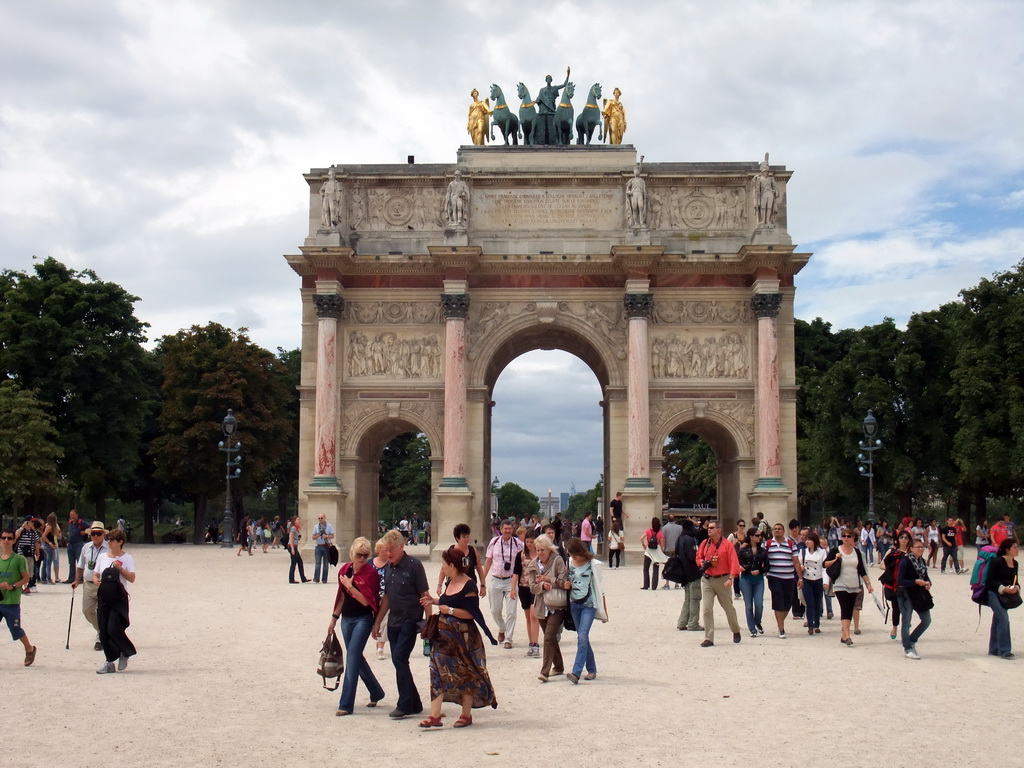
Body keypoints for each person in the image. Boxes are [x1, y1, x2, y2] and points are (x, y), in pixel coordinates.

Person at [417, 546, 497, 728]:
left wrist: (450, 610)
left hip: (464, 637)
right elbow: (448, 601)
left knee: (465, 673)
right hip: (442, 637)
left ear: (452, 565)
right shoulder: (449, 582)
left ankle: (466, 715)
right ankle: (435, 716)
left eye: (444, 564)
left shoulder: (469, 585)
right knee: (436, 670)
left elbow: (471, 613)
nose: (442, 568)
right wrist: (434, 601)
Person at [372, 530, 430, 719]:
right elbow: (386, 598)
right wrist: (378, 622)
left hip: (410, 620)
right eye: (385, 550)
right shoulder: (388, 568)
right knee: (400, 661)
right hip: (394, 621)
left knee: (398, 658)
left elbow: (424, 595)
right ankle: (414, 702)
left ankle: (404, 704)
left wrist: (430, 621)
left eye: (391, 550)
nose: (388, 554)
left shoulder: (415, 566)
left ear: (401, 547)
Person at [328, 537, 385, 716]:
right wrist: (333, 618)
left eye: (366, 555)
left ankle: (346, 704)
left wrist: (350, 586)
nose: (362, 559)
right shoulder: (344, 570)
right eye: (359, 555)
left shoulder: (371, 573)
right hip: (347, 619)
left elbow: (367, 602)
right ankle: (376, 691)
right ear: (352, 554)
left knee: (352, 657)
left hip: (363, 619)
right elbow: (341, 596)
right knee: (356, 659)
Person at [93, 529, 137, 674]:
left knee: (114, 628)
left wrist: (120, 569)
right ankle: (109, 661)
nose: (109, 542)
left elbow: (131, 578)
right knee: (104, 631)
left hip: (119, 598)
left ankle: (125, 651)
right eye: (109, 539)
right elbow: (96, 574)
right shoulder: (102, 557)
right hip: (104, 597)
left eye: (112, 540)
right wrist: (96, 580)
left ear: (120, 542)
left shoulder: (127, 558)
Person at [565, 537, 608, 683]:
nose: (572, 557)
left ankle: (576, 672)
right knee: (583, 637)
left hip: (589, 605)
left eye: (574, 553)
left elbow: (601, 589)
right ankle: (592, 669)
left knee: (582, 636)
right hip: (574, 604)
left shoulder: (593, 564)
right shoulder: (570, 562)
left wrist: (604, 611)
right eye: (570, 554)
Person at [528, 534, 568, 681]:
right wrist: (542, 586)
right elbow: (532, 587)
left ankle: (544, 672)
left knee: (549, 637)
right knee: (550, 638)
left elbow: (564, 581)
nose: (539, 553)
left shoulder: (558, 561)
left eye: (542, 550)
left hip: (557, 604)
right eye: (537, 550)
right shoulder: (533, 564)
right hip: (541, 605)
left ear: (549, 549)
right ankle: (559, 666)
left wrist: (547, 579)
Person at [824, 528, 874, 646]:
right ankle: (847, 635)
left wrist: (868, 584)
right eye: (844, 536)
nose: (846, 538)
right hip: (841, 583)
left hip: (854, 584)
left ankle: (844, 635)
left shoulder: (856, 552)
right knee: (845, 607)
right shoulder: (835, 550)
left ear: (853, 538)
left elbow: (861, 570)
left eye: (849, 536)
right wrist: (836, 559)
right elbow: (825, 564)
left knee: (850, 608)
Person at [696, 521, 742, 647]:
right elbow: (698, 556)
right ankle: (709, 638)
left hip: (723, 579)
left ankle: (735, 629)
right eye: (708, 528)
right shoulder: (705, 543)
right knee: (706, 609)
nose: (709, 530)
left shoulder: (727, 545)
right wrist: (701, 563)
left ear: (719, 530)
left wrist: (731, 577)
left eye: (712, 528)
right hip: (707, 579)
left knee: (728, 608)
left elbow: (734, 562)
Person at [482, 520, 523, 649]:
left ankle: (508, 638)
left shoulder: (518, 543)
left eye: (510, 529)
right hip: (496, 579)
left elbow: (524, 561)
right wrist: (482, 580)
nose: (508, 531)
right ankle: (502, 627)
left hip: (511, 580)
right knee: (495, 610)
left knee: (511, 611)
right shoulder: (494, 542)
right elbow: (488, 561)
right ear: (501, 529)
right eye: (505, 528)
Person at [0, 528, 36, 666]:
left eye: (9, 538)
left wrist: (12, 586)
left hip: (11, 601)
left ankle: (29, 649)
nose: (6, 541)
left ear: (14, 540)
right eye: (4, 538)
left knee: (15, 629)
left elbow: (25, 578)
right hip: (0, 599)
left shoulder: (19, 559)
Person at [73, 521, 110, 651]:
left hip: (104, 585)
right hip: (88, 584)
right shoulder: (86, 547)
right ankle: (101, 630)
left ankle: (100, 637)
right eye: (93, 534)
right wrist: (76, 581)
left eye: (98, 533)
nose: (95, 536)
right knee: (87, 611)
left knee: (103, 612)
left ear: (103, 534)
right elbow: (80, 566)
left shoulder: (109, 548)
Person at [765, 523, 804, 639]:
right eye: (775, 529)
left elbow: (796, 561)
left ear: (783, 531)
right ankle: (781, 628)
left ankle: (780, 622)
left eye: (779, 529)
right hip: (774, 577)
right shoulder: (768, 544)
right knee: (778, 602)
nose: (777, 531)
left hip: (788, 578)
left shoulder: (791, 544)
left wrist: (800, 578)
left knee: (787, 604)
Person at [896, 539, 933, 660]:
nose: (921, 549)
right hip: (906, 593)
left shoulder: (922, 561)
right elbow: (900, 581)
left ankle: (912, 640)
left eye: (922, 547)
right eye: (918, 547)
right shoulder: (905, 561)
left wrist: (928, 583)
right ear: (911, 548)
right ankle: (908, 647)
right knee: (906, 620)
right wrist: (915, 581)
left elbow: (925, 576)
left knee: (926, 620)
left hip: (919, 594)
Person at [986, 538, 1019, 659]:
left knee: (998, 620)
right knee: (1004, 619)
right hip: (993, 593)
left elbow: (1015, 580)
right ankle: (1004, 650)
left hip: (1006, 595)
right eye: (1014, 547)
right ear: (1007, 549)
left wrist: (1016, 587)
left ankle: (994, 649)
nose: (1017, 549)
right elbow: (990, 581)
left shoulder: (1015, 563)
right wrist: (1004, 589)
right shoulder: (996, 561)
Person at [880, 531, 912, 640]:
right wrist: (891, 569)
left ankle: (906, 625)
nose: (903, 539)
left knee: (908, 606)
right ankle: (895, 627)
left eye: (906, 538)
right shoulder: (892, 551)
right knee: (896, 607)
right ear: (898, 539)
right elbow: (882, 564)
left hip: (907, 584)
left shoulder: (911, 552)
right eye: (901, 537)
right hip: (894, 584)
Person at [514, 530, 541, 657]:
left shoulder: (541, 554)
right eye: (527, 541)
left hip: (536, 587)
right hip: (523, 587)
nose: (529, 544)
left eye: (531, 542)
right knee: (528, 618)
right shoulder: (520, 555)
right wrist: (513, 588)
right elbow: (516, 572)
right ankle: (531, 643)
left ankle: (535, 644)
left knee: (534, 615)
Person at [738, 527, 768, 637]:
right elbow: (735, 561)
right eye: (757, 535)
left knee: (759, 604)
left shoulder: (762, 551)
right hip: (746, 579)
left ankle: (757, 622)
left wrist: (760, 570)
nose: (759, 537)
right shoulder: (743, 549)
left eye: (760, 535)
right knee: (748, 605)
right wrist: (740, 567)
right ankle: (752, 628)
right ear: (750, 536)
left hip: (758, 579)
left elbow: (767, 566)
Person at [675, 519, 703, 631]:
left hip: (684, 572)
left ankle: (682, 622)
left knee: (687, 598)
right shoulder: (690, 540)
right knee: (695, 598)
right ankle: (693, 623)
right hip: (693, 572)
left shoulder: (679, 538)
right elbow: (693, 557)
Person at [533, 67, 570, 145]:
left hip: (552, 110)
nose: (548, 80)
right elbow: (538, 98)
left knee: (552, 128)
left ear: (551, 80)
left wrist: (567, 75)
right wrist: (536, 101)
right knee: (542, 128)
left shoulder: (554, 88)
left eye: (550, 79)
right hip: (543, 111)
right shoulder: (542, 90)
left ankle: (554, 141)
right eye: (547, 79)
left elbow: (564, 84)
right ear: (546, 80)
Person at [800, 532, 827, 635]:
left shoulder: (822, 552)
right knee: (809, 603)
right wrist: (801, 573)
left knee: (817, 603)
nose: (807, 542)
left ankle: (817, 624)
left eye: (809, 540)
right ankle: (810, 625)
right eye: (806, 540)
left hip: (818, 579)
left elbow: (824, 568)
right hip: (807, 579)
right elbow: (799, 565)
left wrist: (826, 582)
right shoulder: (803, 552)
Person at [372, 537, 389, 661]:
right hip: (372, 598)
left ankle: (380, 648)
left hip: (386, 598)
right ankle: (378, 641)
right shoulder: (369, 563)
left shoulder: (392, 564)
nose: (387, 552)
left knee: (383, 621)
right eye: (385, 549)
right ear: (378, 550)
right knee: (374, 621)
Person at [14, 517, 40, 594]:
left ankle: (27, 586)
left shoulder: (33, 532)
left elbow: (36, 542)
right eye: (32, 522)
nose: (33, 524)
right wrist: (22, 527)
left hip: (30, 553)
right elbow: (15, 536)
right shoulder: (21, 531)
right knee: (23, 569)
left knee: (30, 571)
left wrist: (37, 552)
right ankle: (24, 587)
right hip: (21, 553)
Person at [641, 517, 666, 590]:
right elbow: (662, 545)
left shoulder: (648, 531)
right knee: (655, 569)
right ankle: (654, 586)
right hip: (656, 551)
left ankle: (646, 585)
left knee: (646, 568)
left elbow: (641, 538)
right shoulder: (660, 533)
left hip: (648, 551)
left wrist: (644, 545)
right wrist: (661, 552)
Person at [660, 514, 683, 590]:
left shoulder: (664, 528)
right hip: (677, 549)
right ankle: (676, 583)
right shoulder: (680, 528)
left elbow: (663, 539)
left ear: (667, 519)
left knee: (668, 566)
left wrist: (662, 548)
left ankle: (667, 583)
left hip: (668, 549)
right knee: (677, 565)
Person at [64, 509, 88, 583]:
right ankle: (71, 578)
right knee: (71, 563)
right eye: (71, 515)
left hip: (78, 544)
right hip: (70, 544)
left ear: (77, 515)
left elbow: (90, 527)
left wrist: (85, 532)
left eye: (73, 515)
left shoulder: (81, 522)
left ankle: (80, 578)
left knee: (79, 562)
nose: (72, 516)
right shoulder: (70, 523)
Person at [312, 514, 335, 584]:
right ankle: (316, 578)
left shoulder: (329, 526)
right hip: (318, 546)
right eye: (319, 518)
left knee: (325, 564)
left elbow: (332, 536)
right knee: (317, 563)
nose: (320, 519)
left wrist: (327, 536)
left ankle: (324, 579)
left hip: (326, 546)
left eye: (321, 518)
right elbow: (313, 537)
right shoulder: (316, 527)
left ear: (325, 518)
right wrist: (318, 535)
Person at [287, 516, 310, 584]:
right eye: (298, 519)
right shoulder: (293, 528)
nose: (299, 521)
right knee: (293, 563)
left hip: (294, 546)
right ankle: (291, 579)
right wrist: (292, 549)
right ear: (294, 521)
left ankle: (303, 578)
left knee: (299, 562)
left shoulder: (296, 528)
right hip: (292, 546)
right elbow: (290, 538)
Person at [41, 513, 61, 584]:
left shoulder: (51, 527)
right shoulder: (49, 527)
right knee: (48, 563)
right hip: (48, 546)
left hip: (48, 546)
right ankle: (48, 578)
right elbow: (43, 536)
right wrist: (50, 543)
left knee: (45, 563)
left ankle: (43, 578)